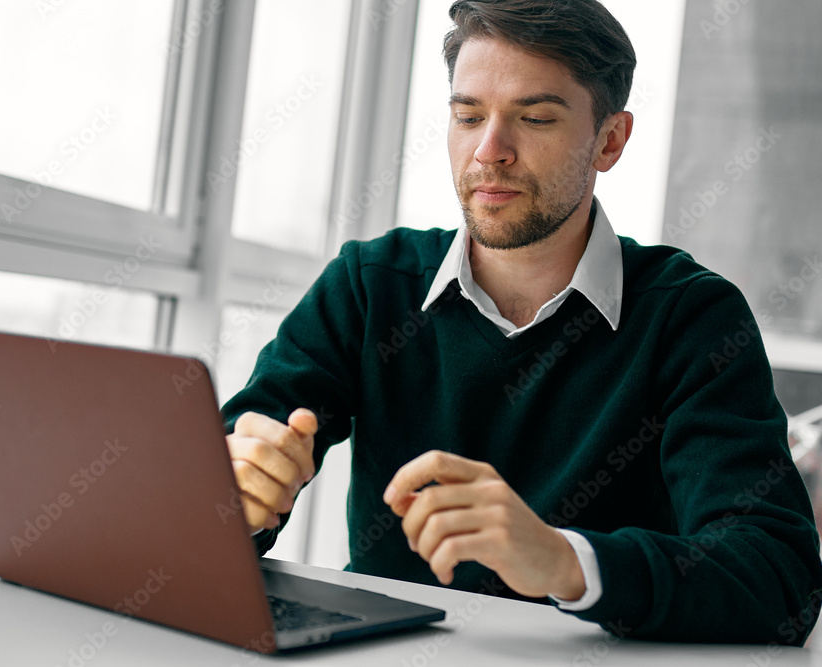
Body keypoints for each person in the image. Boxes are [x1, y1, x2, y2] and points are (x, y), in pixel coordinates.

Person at [221, 0, 822, 645]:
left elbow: (778, 576)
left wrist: (563, 562)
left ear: (610, 141)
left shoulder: (691, 317)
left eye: (534, 118)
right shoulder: (372, 284)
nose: (490, 151)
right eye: (468, 115)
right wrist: (235, 501)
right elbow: (221, 474)